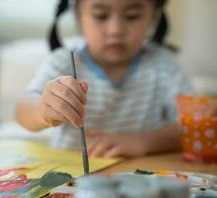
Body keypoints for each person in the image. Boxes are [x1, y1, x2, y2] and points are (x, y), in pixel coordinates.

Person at [15, 0, 192, 158]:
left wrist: (140, 142)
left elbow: (192, 127)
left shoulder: (165, 66)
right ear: (78, 15)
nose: (116, 30)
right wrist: (42, 110)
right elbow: (23, 109)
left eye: (132, 16)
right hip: (72, 179)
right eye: (101, 16)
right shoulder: (63, 61)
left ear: (153, 16)